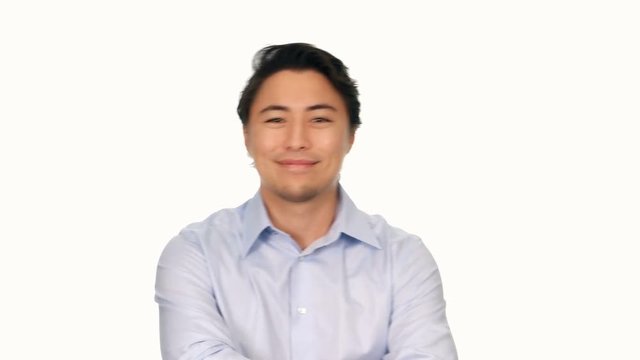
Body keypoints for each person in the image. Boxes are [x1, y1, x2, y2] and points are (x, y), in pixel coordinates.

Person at [155, 43, 458, 360]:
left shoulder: (404, 259)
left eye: (320, 120)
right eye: (275, 120)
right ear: (247, 135)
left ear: (351, 135)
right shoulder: (196, 254)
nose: (297, 140)